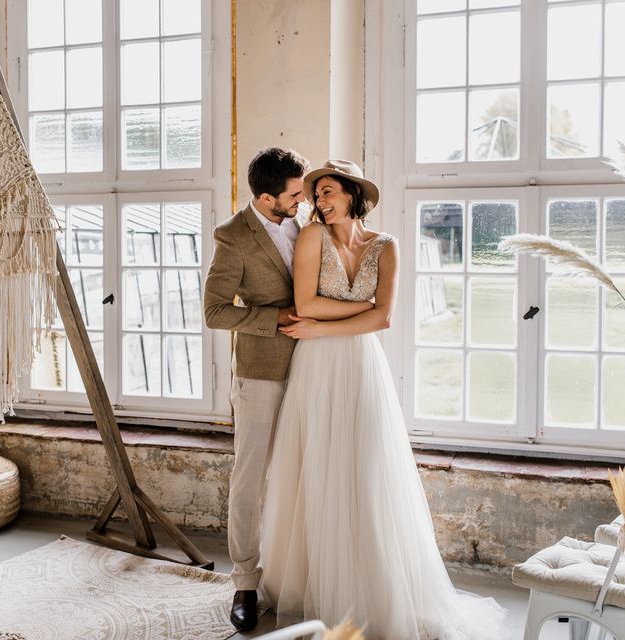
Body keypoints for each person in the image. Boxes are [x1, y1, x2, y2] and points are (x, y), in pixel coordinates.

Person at [258, 159, 509, 638]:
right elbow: (307, 305)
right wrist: (355, 312)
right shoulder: (312, 238)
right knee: (319, 468)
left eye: (328, 192)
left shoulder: (387, 246)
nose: (319, 202)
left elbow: (385, 319)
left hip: (361, 366)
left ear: (353, 194)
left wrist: (329, 323)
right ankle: (316, 586)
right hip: (317, 366)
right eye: (315, 195)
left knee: (369, 470)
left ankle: (375, 588)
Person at [204, 148, 376, 631]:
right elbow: (215, 311)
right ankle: (244, 581)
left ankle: (299, 578)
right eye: (296, 194)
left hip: (316, 364)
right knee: (251, 475)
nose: (306, 201)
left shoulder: (307, 224)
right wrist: (274, 319)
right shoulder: (232, 237)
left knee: (306, 473)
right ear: (266, 197)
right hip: (261, 370)